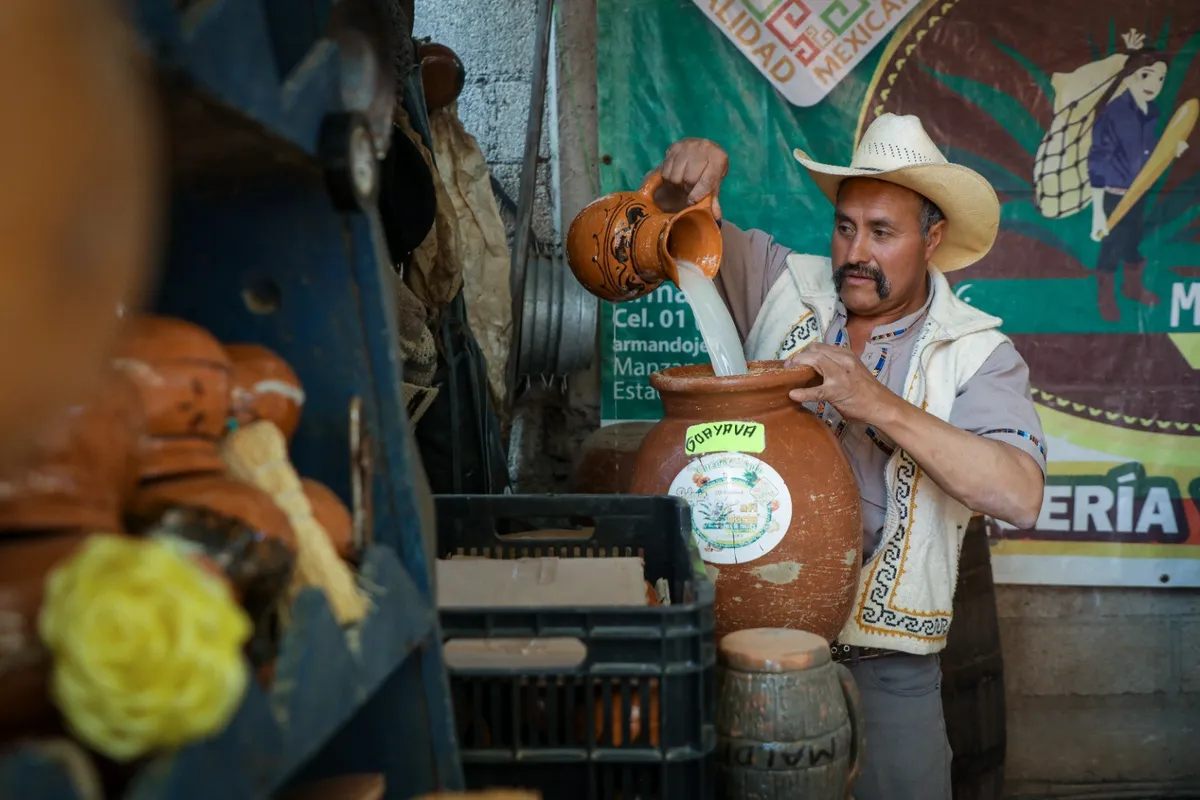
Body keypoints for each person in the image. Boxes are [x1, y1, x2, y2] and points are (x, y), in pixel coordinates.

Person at [649, 113, 1047, 800]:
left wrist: (877, 403)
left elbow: (1020, 494)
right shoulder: (778, 281)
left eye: (882, 233)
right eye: (845, 227)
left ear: (932, 238)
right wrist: (684, 171)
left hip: (888, 672)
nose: (855, 251)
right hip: (750, 660)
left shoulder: (977, 353)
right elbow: (667, 226)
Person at [1087, 41, 1187, 322]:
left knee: (1132, 242)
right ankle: (1104, 296)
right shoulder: (1114, 113)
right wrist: (1098, 213)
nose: (1153, 84)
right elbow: (1098, 159)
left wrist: (1172, 150)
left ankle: (1131, 287)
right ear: (1130, 75)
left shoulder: (1151, 113)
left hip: (1138, 193)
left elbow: (1150, 155)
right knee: (1112, 246)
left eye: (1161, 78)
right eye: (1146, 75)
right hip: (1114, 195)